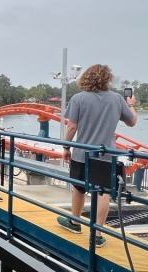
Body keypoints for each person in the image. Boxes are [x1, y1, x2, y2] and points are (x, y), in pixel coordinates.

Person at [58, 64, 137, 246]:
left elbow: (71, 126)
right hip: (106, 154)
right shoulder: (117, 99)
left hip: (81, 153)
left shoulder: (78, 98)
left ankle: (75, 222)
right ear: (107, 79)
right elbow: (132, 122)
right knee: (103, 193)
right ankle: (97, 234)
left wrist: (66, 147)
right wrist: (131, 105)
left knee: (78, 188)